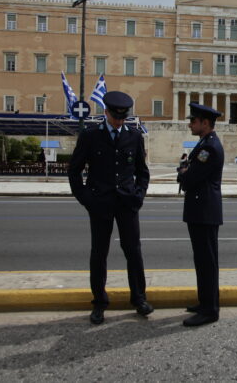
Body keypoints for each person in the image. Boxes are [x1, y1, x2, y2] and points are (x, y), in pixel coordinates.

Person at [68, 91, 153, 325]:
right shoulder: (90, 135)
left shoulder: (135, 136)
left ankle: (139, 298)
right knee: (99, 254)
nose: (119, 121)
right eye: (116, 117)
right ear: (106, 112)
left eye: (123, 118)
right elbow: (74, 171)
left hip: (127, 203)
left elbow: (142, 172)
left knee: (133, 251)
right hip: (100, 203)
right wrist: (87, 199)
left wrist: (139, 196)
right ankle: (99, 302)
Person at [177, 103, 224, 327]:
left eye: (193, 121)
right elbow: (189, 171)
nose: (190, 124)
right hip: (201, 209)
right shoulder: (204, 143)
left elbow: (190, 177)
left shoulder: (210, 147)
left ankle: (210, 310)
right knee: (202, 260)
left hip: (204, 210)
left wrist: (184, 174)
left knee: (207, 261)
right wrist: (186, 171)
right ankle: (205, 302)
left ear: (205, 123)